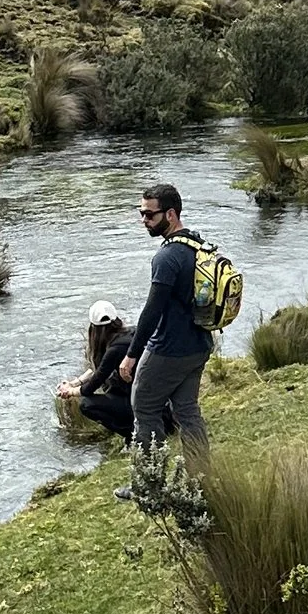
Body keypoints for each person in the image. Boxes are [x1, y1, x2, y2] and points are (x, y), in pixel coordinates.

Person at [126, 181, 215, 460]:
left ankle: (151, 482)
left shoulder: (166, 258)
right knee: (187, 411)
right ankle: (201, 476)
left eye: (150, 215)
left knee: (143, 405)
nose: (144, 220)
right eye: (141, 213)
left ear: (171, 215)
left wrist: (131, 355)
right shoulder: (198, 243)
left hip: (169, 349)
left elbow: (152, 311)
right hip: (199, 344)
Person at [64, 301, 136, 441]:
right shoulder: (131, 333)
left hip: (136, 403)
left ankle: (132, 434)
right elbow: (100, 369)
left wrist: (70, 391)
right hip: (157, 402)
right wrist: (75, 382)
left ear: (93, 329)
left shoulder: (115, 349)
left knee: (87, 405)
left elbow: (92, 386)